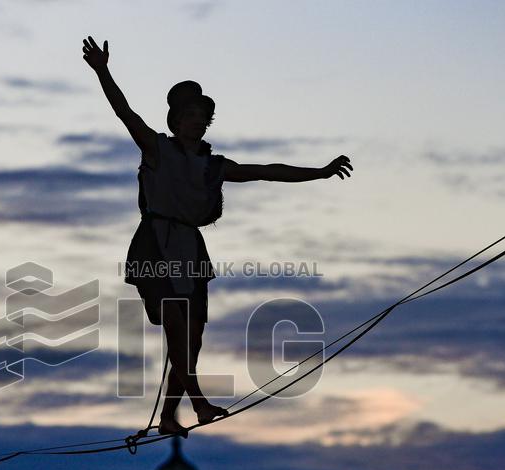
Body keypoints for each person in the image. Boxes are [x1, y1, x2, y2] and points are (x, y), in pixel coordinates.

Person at [82, 36, 353, 438]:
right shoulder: (156, 148)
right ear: (175, 120)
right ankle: (200, 403)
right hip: (155, 244)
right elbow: (125, 112)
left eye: (202, 115)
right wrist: (103, 70)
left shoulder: (213, 165)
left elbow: (267, 170)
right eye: (189, 114)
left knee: (192, 339)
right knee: (177, 329)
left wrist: (320, 171)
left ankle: (170, 416)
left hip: (191, 248)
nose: (197, 120)